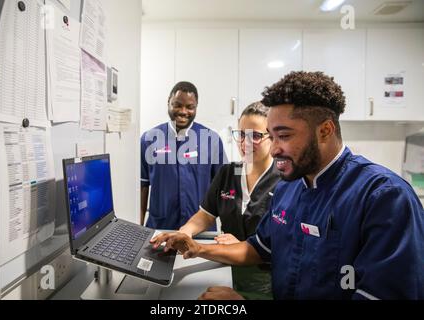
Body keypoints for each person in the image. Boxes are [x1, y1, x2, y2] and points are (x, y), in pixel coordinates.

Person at [151, 71, 424, 300]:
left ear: (325, 131)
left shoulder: (384, 198)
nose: (275, 148)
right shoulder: (289, 187)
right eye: (271, 135)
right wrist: (196, 247)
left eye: (283, 136)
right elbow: (258, 248)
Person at [178, 102, 280, 244]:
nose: (245, 143)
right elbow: (206, 215)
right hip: (225, 262)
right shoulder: (228, 173)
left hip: (265, 265)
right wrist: (185, 231)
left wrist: (241, 246)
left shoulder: (285, 180)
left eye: (255, 136)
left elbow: (286, 239)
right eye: (242, 134)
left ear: (273, 137)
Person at [141, 81, 227, 230]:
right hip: (160, 229)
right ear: (168, 102)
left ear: (196, 107)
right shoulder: (149, 139)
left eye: (190, 107)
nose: (183, 111)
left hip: (201, 232)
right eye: (177, 105)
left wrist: (228, 227)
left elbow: (223, 187)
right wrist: (139, 226)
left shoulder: (211, 139)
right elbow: (143, 186)